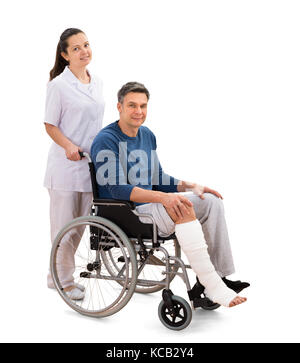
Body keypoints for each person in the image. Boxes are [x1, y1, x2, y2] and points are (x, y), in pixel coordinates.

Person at [91, 82, 249, 308]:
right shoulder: (106, 139)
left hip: (152, 205)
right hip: (127, 211)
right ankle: (212, 285)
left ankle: (217, 278)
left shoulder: (147, 135)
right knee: (181, 206)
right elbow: (117, 189)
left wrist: (192, 186)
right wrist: (164, 198)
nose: (139, 111)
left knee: (211, 201)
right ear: (119, 107)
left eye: (143, 106)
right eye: (132, 105)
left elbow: (158, 178)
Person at [43, 28, 105, 300]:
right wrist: (68, 146)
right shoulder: (58, 85)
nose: (84, 51)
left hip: (89, 167)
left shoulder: (96, 81)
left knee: (79, 227)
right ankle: (61, 280)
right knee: (63, 228)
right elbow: (50, 124)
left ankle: (56, 275)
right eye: (76, 48)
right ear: (65, 54)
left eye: (86, 45)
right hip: (66, 167)